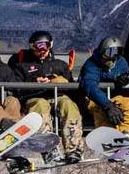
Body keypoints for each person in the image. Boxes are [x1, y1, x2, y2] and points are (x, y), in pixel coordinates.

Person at [8, 30, 83, 163]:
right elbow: (16, 88)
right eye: (38, 47)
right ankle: (48, 148)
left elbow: (72, 88)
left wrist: (60, 82)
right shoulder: (22, 66)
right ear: (32, 47)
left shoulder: (60, 65)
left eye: (46, 46)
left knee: (68, 105)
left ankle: (73, 148)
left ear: (51, 46)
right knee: (40, 105)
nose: (42, 51)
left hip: (58, 96)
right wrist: (34, 83)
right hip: (35, 97)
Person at [79, 36, 129, 137]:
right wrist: (108, 106)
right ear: (101, 53)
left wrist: (123, 79)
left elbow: (125, 73)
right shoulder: (91, 66)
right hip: (95, 100)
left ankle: (126, 135)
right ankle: (107, 136)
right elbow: (90, 87)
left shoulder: (120, 62)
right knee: (100, 111)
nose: (113, 57)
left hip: (115, 97)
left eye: (117, 52)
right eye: (109, 53)